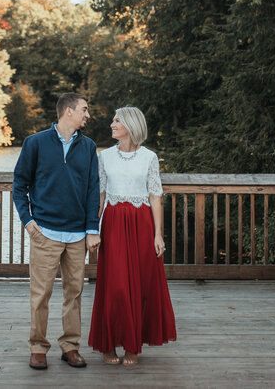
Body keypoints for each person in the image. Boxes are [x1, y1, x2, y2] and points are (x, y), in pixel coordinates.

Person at [12, 92, 101, 371]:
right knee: (41, 294)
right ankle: (38, 348)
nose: (88, 115)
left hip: (77, 236)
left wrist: (91, 230)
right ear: (68, 112)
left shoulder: (88, 147)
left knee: (74, 293)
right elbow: (19, 185)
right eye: (84, 110)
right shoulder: (35, 143)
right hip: (45, 232)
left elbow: (92, 192)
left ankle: (70, 347)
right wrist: (28, 221)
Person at [89, 106, 176, 366]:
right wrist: (92, 229)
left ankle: (132, 345)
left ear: (130, 125)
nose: (112, 124)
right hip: (114, 223)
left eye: (117, 120)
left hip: (141, 223)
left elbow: (155, 196)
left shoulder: (149, 157)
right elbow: (101, 195)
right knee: (115, 285)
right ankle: (108, 344)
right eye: (113, 119)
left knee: (139, 284)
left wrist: (158, 234)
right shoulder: (104, 157)